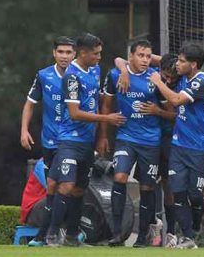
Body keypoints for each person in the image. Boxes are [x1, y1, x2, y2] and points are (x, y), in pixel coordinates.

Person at [45, 33, 125, 246]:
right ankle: (52, 234)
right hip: (69, 140)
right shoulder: (72, 76)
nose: (99, 57)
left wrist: (101, 135)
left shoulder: (95, 70)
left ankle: (72, 235)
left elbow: (95, 102)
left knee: (80, 188)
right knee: (66, 185)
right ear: (83, 53)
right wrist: (106, 118)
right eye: (96, 53)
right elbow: (74, 113)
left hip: (87, 142)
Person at [149, 44, 204, 249]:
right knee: (177, 192)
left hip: (200, 148)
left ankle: (194, 224)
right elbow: (153, 58)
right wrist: (125, 65)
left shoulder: (200, 83)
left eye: (182, 61)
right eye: (177, 60)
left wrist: (158, 83)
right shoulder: (183, 76)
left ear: (193, 65)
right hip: (178, 146)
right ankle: (188, 238)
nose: (177, 64)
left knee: (195, 195)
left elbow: (177, 100)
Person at [100, 40, 164, 247]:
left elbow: (170, 109)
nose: (145, 60)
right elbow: (106, 104)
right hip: (126, 138)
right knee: (119, 177)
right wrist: (103, 135)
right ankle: (117, 233)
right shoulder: (115, 74)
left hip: (151, 140)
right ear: (131, 56)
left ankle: (144, 235)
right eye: (141, 55)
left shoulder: (156, 77)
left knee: (147, 187)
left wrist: (157, 111)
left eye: (148, 56)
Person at [115, 53, 180, 247]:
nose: (168, 79)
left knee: (168, 184)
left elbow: (177, 115)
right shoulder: (160, 67)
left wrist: (157, 111)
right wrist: (124, 70)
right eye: (165, 75)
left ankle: (172, 233)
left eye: (171, 77)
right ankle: (152, 223)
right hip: (151, 138)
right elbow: (122, 58)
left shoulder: (180, 83)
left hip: (170, 138)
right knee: (147, 182)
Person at [19, 36, 76, 246]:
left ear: (75, 54)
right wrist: (24, 130)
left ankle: (50, 232)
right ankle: (56, 232)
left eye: (68, 52)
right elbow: (30, 103)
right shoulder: (44, 75)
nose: (64, 56)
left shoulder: (80, 74)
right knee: (53, 187)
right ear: (54, 53)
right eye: (60, 52)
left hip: (72, 141)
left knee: (63, 184)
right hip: (49, 140)